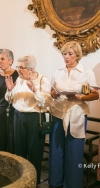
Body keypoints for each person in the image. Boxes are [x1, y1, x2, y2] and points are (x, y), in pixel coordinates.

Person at [49, 41, 99, 188]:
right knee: (57, 150)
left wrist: (81, 97)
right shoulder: (58, 72)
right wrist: (53, 93)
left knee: (74, 152)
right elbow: (52, 92)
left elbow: (95, 95)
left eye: (70, 54)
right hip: (59, 113)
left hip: (76, 115)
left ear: (77, 55)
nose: (66, 57)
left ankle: (72, 184)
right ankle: (55, 182)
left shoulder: (85, 72)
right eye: (64, 53)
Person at [5, 55, 52, 185]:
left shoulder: (43, 80)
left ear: (31, 69)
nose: (18, 70)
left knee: (34, 153)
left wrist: (35, 90)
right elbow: (9, 99)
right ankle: (20, 181)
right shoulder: (19, 79)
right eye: (18, 67)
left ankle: (33, 183)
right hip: (18, 117)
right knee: (18, 151)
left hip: (34, 119)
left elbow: (46, 103)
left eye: (22, 67)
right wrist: (9, 90)